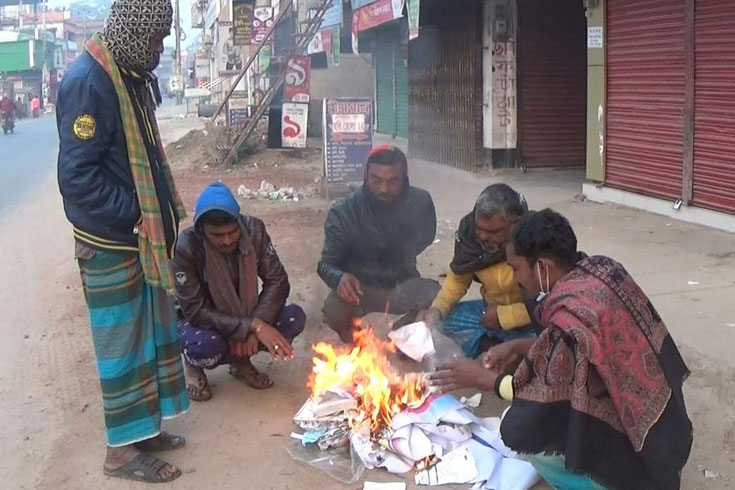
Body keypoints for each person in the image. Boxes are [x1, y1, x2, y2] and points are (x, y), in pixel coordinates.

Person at [428, 209, 692, 490]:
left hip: (638, 471)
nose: (516, 279)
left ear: (542, 266)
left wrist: (483, 379)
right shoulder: (603, 269)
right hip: (668, 438)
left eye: (516, 268)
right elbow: (588, 353)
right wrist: (519, 345)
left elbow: (542, 401)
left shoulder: (569, 319)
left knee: (517, 430)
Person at [57, 0, 189, 483]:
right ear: (132, 32)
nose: (159, 50)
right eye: (154, 40)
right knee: (123, 347)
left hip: (138, 240)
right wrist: (135, 213)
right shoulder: (89, 84)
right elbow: (77, 180)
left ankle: (144, 430)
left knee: (149, 337)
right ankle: (121, 455)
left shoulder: (127, 73)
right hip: (112, 242)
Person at [174, 182, 305, 401]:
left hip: (248, 313)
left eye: (233, 232)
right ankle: (193, 365)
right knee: (204, 346)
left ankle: (241, 363)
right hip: (201, 322)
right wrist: (253, 326)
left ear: (240, 223)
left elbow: (278, 281)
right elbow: (196, 311)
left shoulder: (254, 230)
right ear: (201, 230)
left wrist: (255, 328)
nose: (227, 241)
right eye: (217, 235)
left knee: (293, 318)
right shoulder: (185, 247)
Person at [318, 145, 439, 343]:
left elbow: (425, 238)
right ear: (366, 177)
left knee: (438, 298)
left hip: (403, 284)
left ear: (405, 178)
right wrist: (340, 278)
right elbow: (325, 264)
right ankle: (356, 342)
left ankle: (399, 336)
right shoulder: (344, 211)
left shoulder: (421, 203)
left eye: (393, 181)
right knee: (334, 311)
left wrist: (400, 257)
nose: (384, 189)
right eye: (377, 180)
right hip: (360, 289)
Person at [417, 184, 536, 358]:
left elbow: (550, 299)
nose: (482, 237)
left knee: (557, 334)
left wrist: (506, 316)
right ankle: (490, 346)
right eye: (479, 229)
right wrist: (437, 309)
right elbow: (458, 279)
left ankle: (518, 350)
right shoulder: (469, 236)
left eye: (493, 231)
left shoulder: (536, 236)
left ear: (515, 224)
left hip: (533, 316)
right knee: (441, 321)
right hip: (489, 312)